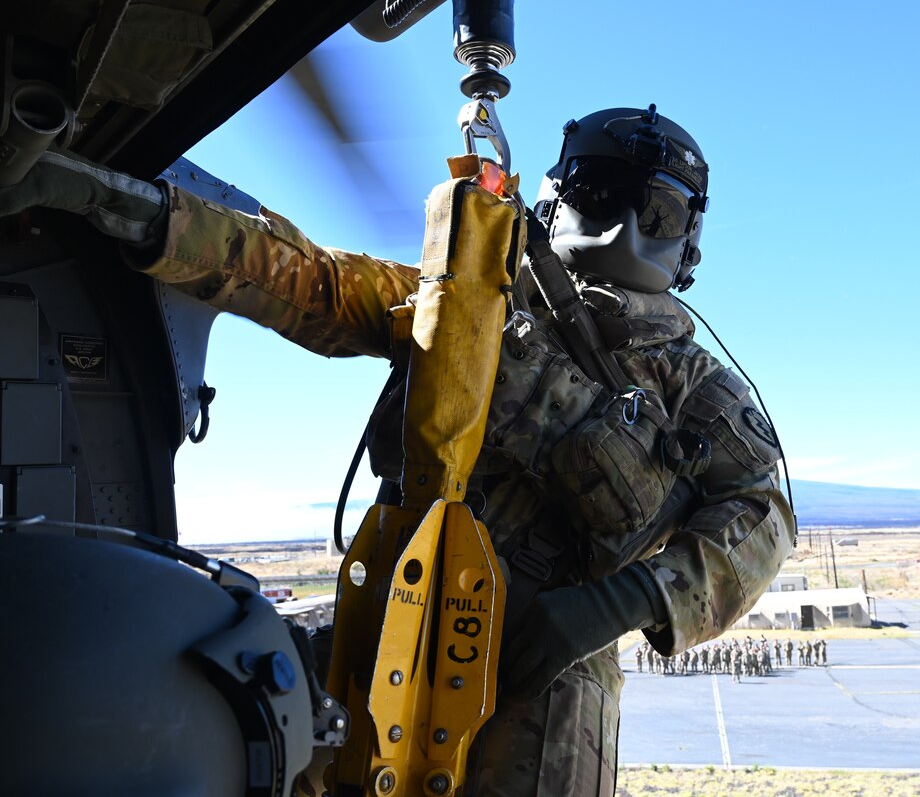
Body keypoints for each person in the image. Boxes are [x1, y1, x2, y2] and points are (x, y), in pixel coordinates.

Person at [1, 105, 794, 796]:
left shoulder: (696, 385)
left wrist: (617, 606)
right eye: (600, 190)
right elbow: (308, 279)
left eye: (656, 209)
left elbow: (762, 515)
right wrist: (138, 212)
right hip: (391, 617)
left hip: (544, 673)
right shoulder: (464, 299)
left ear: (687, 237)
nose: (625, 222)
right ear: (557, 197)